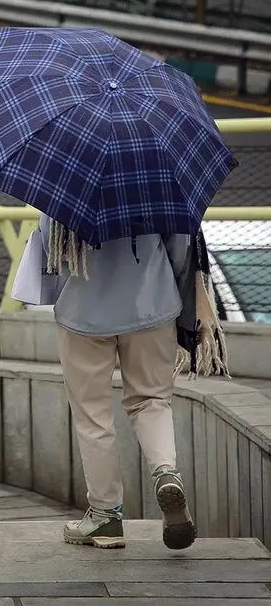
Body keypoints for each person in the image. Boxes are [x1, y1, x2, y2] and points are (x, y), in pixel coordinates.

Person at [39, 215, 224, 552]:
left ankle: (105, 516)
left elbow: (51, 246)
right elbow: (180, 251)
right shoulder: (154, 179)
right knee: (151, 400)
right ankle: (166, 472)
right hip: (152, 306)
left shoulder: (68, 178)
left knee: (92, 415)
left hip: (83, 312)